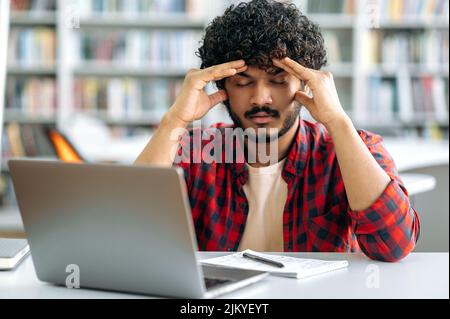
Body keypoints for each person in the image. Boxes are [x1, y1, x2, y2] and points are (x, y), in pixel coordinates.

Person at [135, 0, 420, 262]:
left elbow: (393, 245)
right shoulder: (196, 151)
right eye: (244, 83)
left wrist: (337, 121)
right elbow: (130, 228)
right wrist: (175, 120)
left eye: (278, 80)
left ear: (307, 84)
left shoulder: (349, 148)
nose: (260, 98)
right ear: (222, 87)